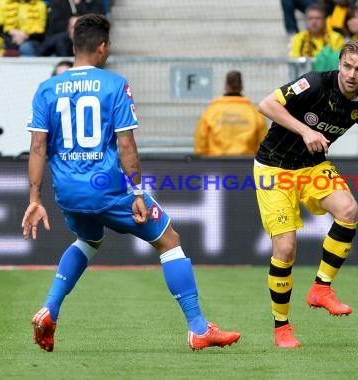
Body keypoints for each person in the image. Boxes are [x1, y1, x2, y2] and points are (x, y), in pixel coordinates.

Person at [23, 14, 240, 353]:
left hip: (67, 191)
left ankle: (50, 309)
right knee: (170, 241)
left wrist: (34, 199)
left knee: (89, 238)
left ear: (74, 45)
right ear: (103, 46)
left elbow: (37, 147)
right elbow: (126, 144)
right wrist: (137, 191)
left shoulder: (47, 88)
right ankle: (199, 328)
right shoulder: (114, 84)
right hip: (107, 188)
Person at [253, 40, 358, 348]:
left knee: (349, 210)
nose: (351, 74)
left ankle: (321, 289)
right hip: (274, 169)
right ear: (340, 64)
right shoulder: (315, 83)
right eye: (347, 66)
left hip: (312, 167)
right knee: (286, 249)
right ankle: (282, 328)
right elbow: (266, 104)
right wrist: (305, 131)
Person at [193, 70, 267, 156]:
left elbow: (200, 143)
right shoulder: (254, 113)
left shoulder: (211, 111)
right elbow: (263, 144)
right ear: (241, 87)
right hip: (246, 163)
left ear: (226, 86)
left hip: (215, 163)